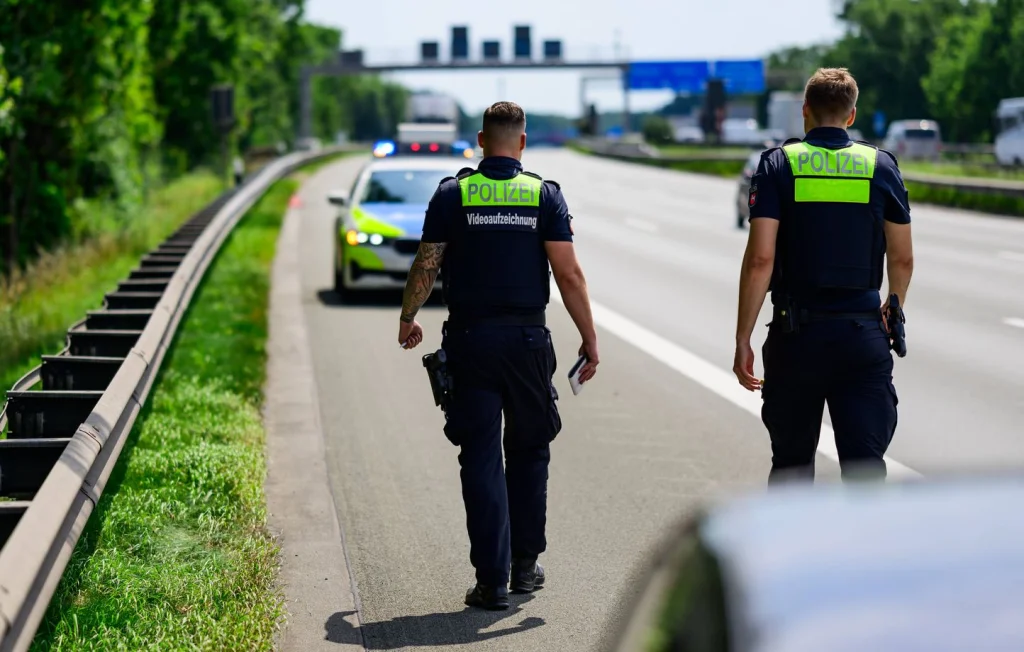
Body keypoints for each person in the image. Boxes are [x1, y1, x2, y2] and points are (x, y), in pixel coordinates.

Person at [396, 101, 600, 610]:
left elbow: (428, 260)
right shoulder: (543, 195)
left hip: (471, 342)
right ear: (523, 143)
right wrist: (589, 337)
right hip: (528, 344)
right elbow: (569, 274)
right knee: (530, 452)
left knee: (481, 459)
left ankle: (492, 582)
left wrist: (408, 316)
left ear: (482, 141)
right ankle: (526, 567)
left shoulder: (454, 193)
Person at [732, 68, 914, 483]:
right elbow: (902, 259)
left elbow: (761, 259)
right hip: (862, 336)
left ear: (805, 112)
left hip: (796, 337)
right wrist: (894, 304)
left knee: (792, 469)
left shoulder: (779, 165)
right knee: (865, 474)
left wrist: (743, 337)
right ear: (851, 116)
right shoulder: (880, 166)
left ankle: (792, 549)